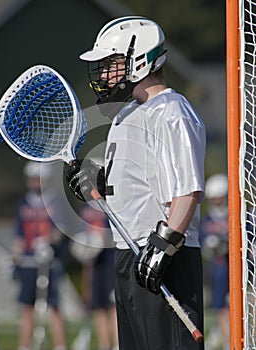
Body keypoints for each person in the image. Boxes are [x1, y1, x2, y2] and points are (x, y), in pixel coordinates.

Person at [66, 16, 206, 350]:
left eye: (112, 63)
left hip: (164, 252)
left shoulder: (172, 111)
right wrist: (93, 180)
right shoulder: (128, 113)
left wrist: (165, 244)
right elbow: (131, 184)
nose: (104, 73)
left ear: (138, 60)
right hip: (128, 252)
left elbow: (188, 189)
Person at [12, 161, 67, 350]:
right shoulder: (23, 203)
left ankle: (60, 345)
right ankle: (24, 345)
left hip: (48, 262)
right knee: (27, 307)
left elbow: (61, 229)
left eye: (39, 179)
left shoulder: (55, 201)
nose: (35, 183)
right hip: (28, 261)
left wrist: (48, 241)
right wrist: (14, 259)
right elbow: (19, 236)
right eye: (33, 179)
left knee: (53, 305)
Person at [71, 203, 119, 350]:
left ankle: (118, 344)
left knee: (114, 305)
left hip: (111, 261)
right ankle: (104, 344)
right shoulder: (85, 209)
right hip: (95, 264)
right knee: (99, 305)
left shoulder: (111, 203)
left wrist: (104, 240)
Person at [199, 173, 229, 350]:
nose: (217, 201)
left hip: (236, 270)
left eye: (220, 198)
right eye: (214, 198)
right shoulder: (207, 220)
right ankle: (227, 340)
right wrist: (211, 248)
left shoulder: (237, 215)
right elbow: (204, 246)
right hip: (216, 271)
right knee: (219, 306)